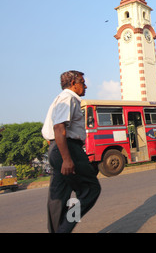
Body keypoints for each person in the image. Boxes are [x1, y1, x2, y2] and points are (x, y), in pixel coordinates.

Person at [42, 70, 101, 233]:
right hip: (68, 148)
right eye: (82, 82)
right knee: (90, 189)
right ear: (73, 84)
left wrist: (56, 151)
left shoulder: (59, 99)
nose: (85, 85)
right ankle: (66, 227)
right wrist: (67, 158)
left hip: (57, 148)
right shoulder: (68, 98)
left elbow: (51, 131)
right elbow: (59, 127)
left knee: (58, 198)